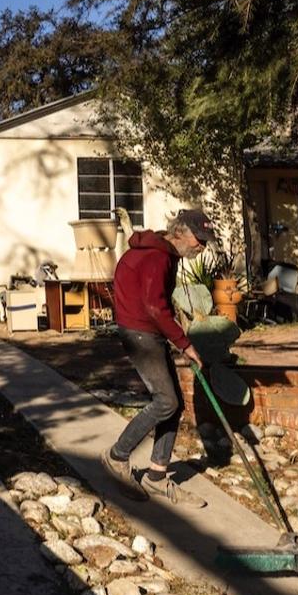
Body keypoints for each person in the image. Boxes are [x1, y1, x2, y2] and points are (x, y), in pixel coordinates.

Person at [98, 209, 216, 507]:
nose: (201, 246)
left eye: (205, 241)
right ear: (180, 232)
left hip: (146, 330)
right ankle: (117, 456)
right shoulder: (157, 256)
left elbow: (155, 302)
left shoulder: (161, 252)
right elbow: (154, 306)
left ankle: (157, 476)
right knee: (166, 402)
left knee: (172, 403)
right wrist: (184, 344)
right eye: (198, 239)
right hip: (141, 333)